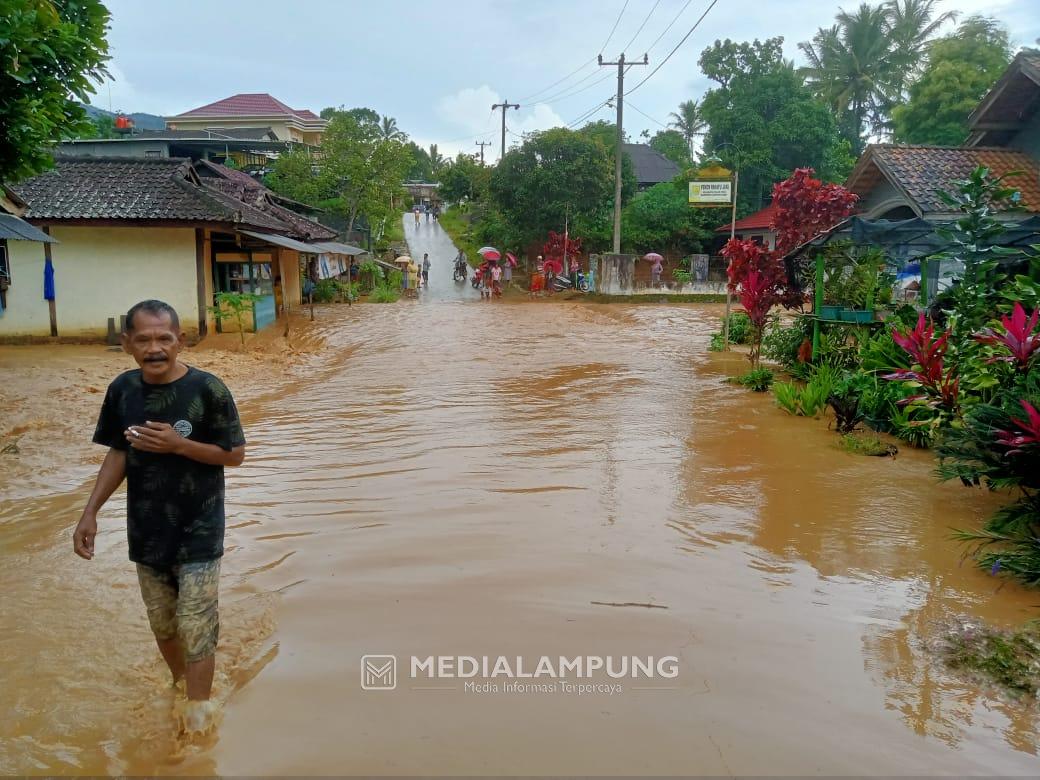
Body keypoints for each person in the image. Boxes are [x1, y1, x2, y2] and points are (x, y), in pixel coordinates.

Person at [73, 300, 246, 736]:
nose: (155, 348)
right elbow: (118, 452)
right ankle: (181, 686)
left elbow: (236, 455)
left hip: (201, 528)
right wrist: (89, 513)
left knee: (195, 620)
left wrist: (179, 445)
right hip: (146, 531)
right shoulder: (122, 390)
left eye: (164, 338)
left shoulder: (210, 390)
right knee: (164, 623)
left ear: (180, 340)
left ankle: (200, 716)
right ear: (127, 342)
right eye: (144, 339)